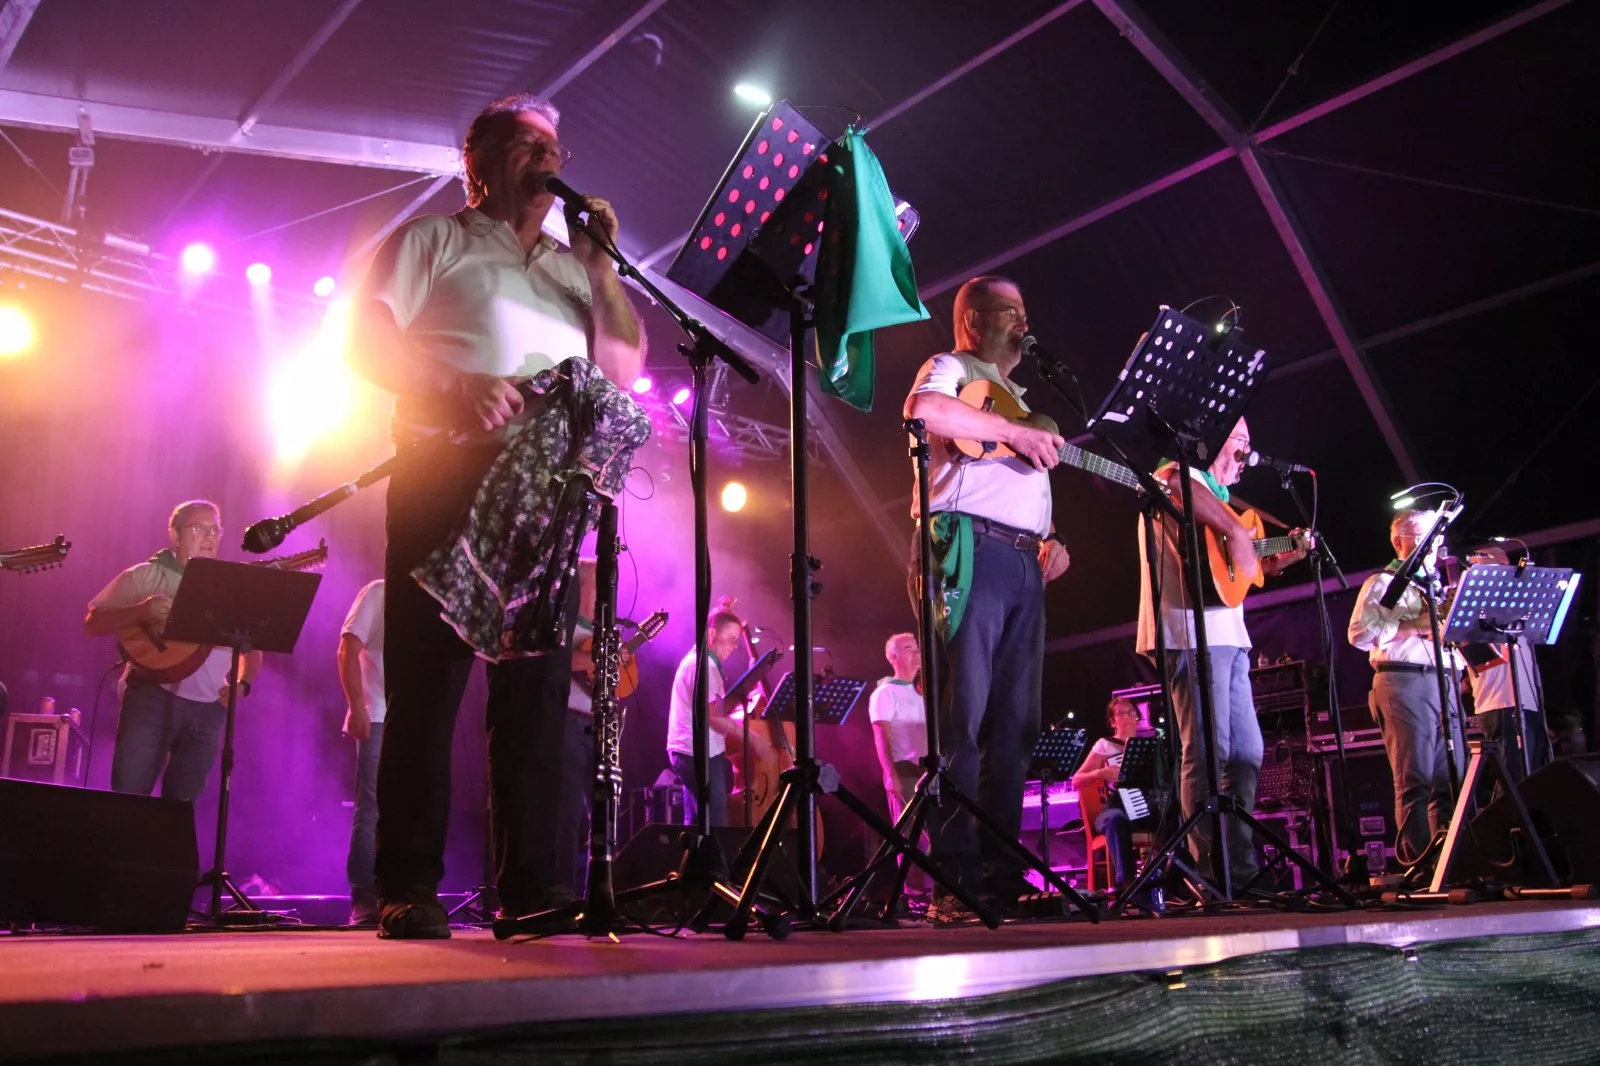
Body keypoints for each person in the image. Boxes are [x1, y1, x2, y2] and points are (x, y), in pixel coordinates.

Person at [347, 92, 644, 939]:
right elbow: (361, 341)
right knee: (429, 690)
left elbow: (619, 368)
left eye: (554, 145)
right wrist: (452, 381)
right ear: (477, 164)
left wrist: (601, 267)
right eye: (526, 144)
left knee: (536, 698)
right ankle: (406, 885)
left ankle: (530, 889)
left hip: (547, 498)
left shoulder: (568, 268)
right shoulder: (431, 240)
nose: (548, 159)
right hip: (448, 467)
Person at [902, 275, 1072, 921]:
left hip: (1020, 558)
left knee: (1014, 726)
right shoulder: (951, 367)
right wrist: (1015, 432)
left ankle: (1002, 877)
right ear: (973, 320)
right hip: (963, 545)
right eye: (1010, 312)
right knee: (962, 720)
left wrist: (1052, 541)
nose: (1023, 323)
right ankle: (954, 881)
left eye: (1027, 312)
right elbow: (924, 412)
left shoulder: (1017, 398)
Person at [1134, 418, 1309, 891]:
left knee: (1248, 753)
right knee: (1208, 752)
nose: (1246, 456)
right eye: (1240, 443)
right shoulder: (1179, 476)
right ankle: (1212, 872)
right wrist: (1236, 528)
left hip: (1230, 637)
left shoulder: (1222, 501)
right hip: (1188, 632)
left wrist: (1283, 555)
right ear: (1211, 443)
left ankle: (1241, 868)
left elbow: (1242, 570)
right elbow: (1171, 483)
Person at [83, 500, 260, 803]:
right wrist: (141, 610)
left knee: (180, 810)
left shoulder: (230, 587)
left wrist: (242, 686)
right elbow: (93, 621)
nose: (209, 536)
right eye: (199, 528)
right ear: (176, 536)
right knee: (129, 801)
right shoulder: (145, 576)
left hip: (208, 710)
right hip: (151, 698)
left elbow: (252, 648)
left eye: (215, 530)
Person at [1348, 508, 1467, 869]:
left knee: (1452, 779)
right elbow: (1359, 634)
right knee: (1415, 779)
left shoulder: (1441, 584)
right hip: (1403, 678)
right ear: (1400, 544)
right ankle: (1417, 865)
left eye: (1435, 536)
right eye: (1422, 538)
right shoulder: (1385, 582)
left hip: (1443, 680)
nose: (1432, 545)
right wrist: (1415, 626)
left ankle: (1450, 865)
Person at [664, 602, 770, 829]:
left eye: (736, 640)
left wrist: (750, 686)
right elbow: (713, 717)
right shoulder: (705, 666)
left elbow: (715, 709)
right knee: (715, 826)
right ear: (711, 633)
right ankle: (713, 865)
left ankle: (693, 864)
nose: (734, 646)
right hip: (697, 754)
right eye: (731, 638)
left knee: (697, 823)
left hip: (694, 752)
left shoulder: (702, 662)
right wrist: (752, 739)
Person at [1463, 544, 1552, 787]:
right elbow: (1471, 654)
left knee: (1531, 777)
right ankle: (1509, 825)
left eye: (1505, 565)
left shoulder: (1518, 604)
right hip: (1500, 702)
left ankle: (1527, 824)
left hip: (1529, 701)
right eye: (1497, 566)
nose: (1506, 571)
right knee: (1513, 780)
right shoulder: (1471, 606)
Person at [337, 579, 385, 926]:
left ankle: (402, 889)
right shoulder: (378, 592)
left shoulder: (435, 595)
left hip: (416, 720)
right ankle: (365, 897)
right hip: (379, 715)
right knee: (371, 807)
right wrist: (357, 705)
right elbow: (347, 649)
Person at [1072, 697, 1151, 897]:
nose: (1126, 717)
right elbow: (1077, 780)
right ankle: (1127, 885)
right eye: (1120, 713)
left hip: (1147, 806)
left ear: (1138, 718)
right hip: (1116, 805)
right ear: (1112, 722)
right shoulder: (1105, 745)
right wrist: (1101, 774)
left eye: (1130, 712)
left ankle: (1173, 880)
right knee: (1115, 820)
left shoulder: (1148, 745)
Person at [868, 632, 927, 825]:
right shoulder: (885, 693)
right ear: (893, 658)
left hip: (928, 772)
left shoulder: (924, 691)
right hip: (906, 772)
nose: (916, 654)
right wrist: (891, 775)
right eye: (908, 649)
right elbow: (881, 737)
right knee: (909, 837)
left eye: (917, 649)